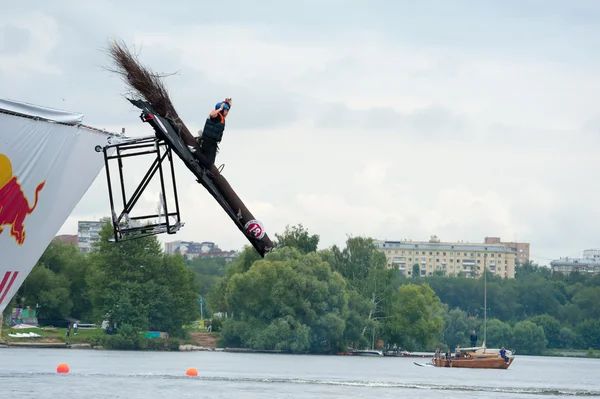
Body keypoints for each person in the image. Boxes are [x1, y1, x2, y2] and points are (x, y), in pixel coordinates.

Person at [194, 98, 232, 169]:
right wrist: (220, 108)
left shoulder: (221, 118)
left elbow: (228, 106)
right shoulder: (216, 116)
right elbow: (211, 114)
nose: (227, 112)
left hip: (213, 143)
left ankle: (203, 169)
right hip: (207, 141)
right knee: (208, 163)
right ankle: (194, 152)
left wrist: (228, 103)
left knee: (211, 163)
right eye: (226, 110)